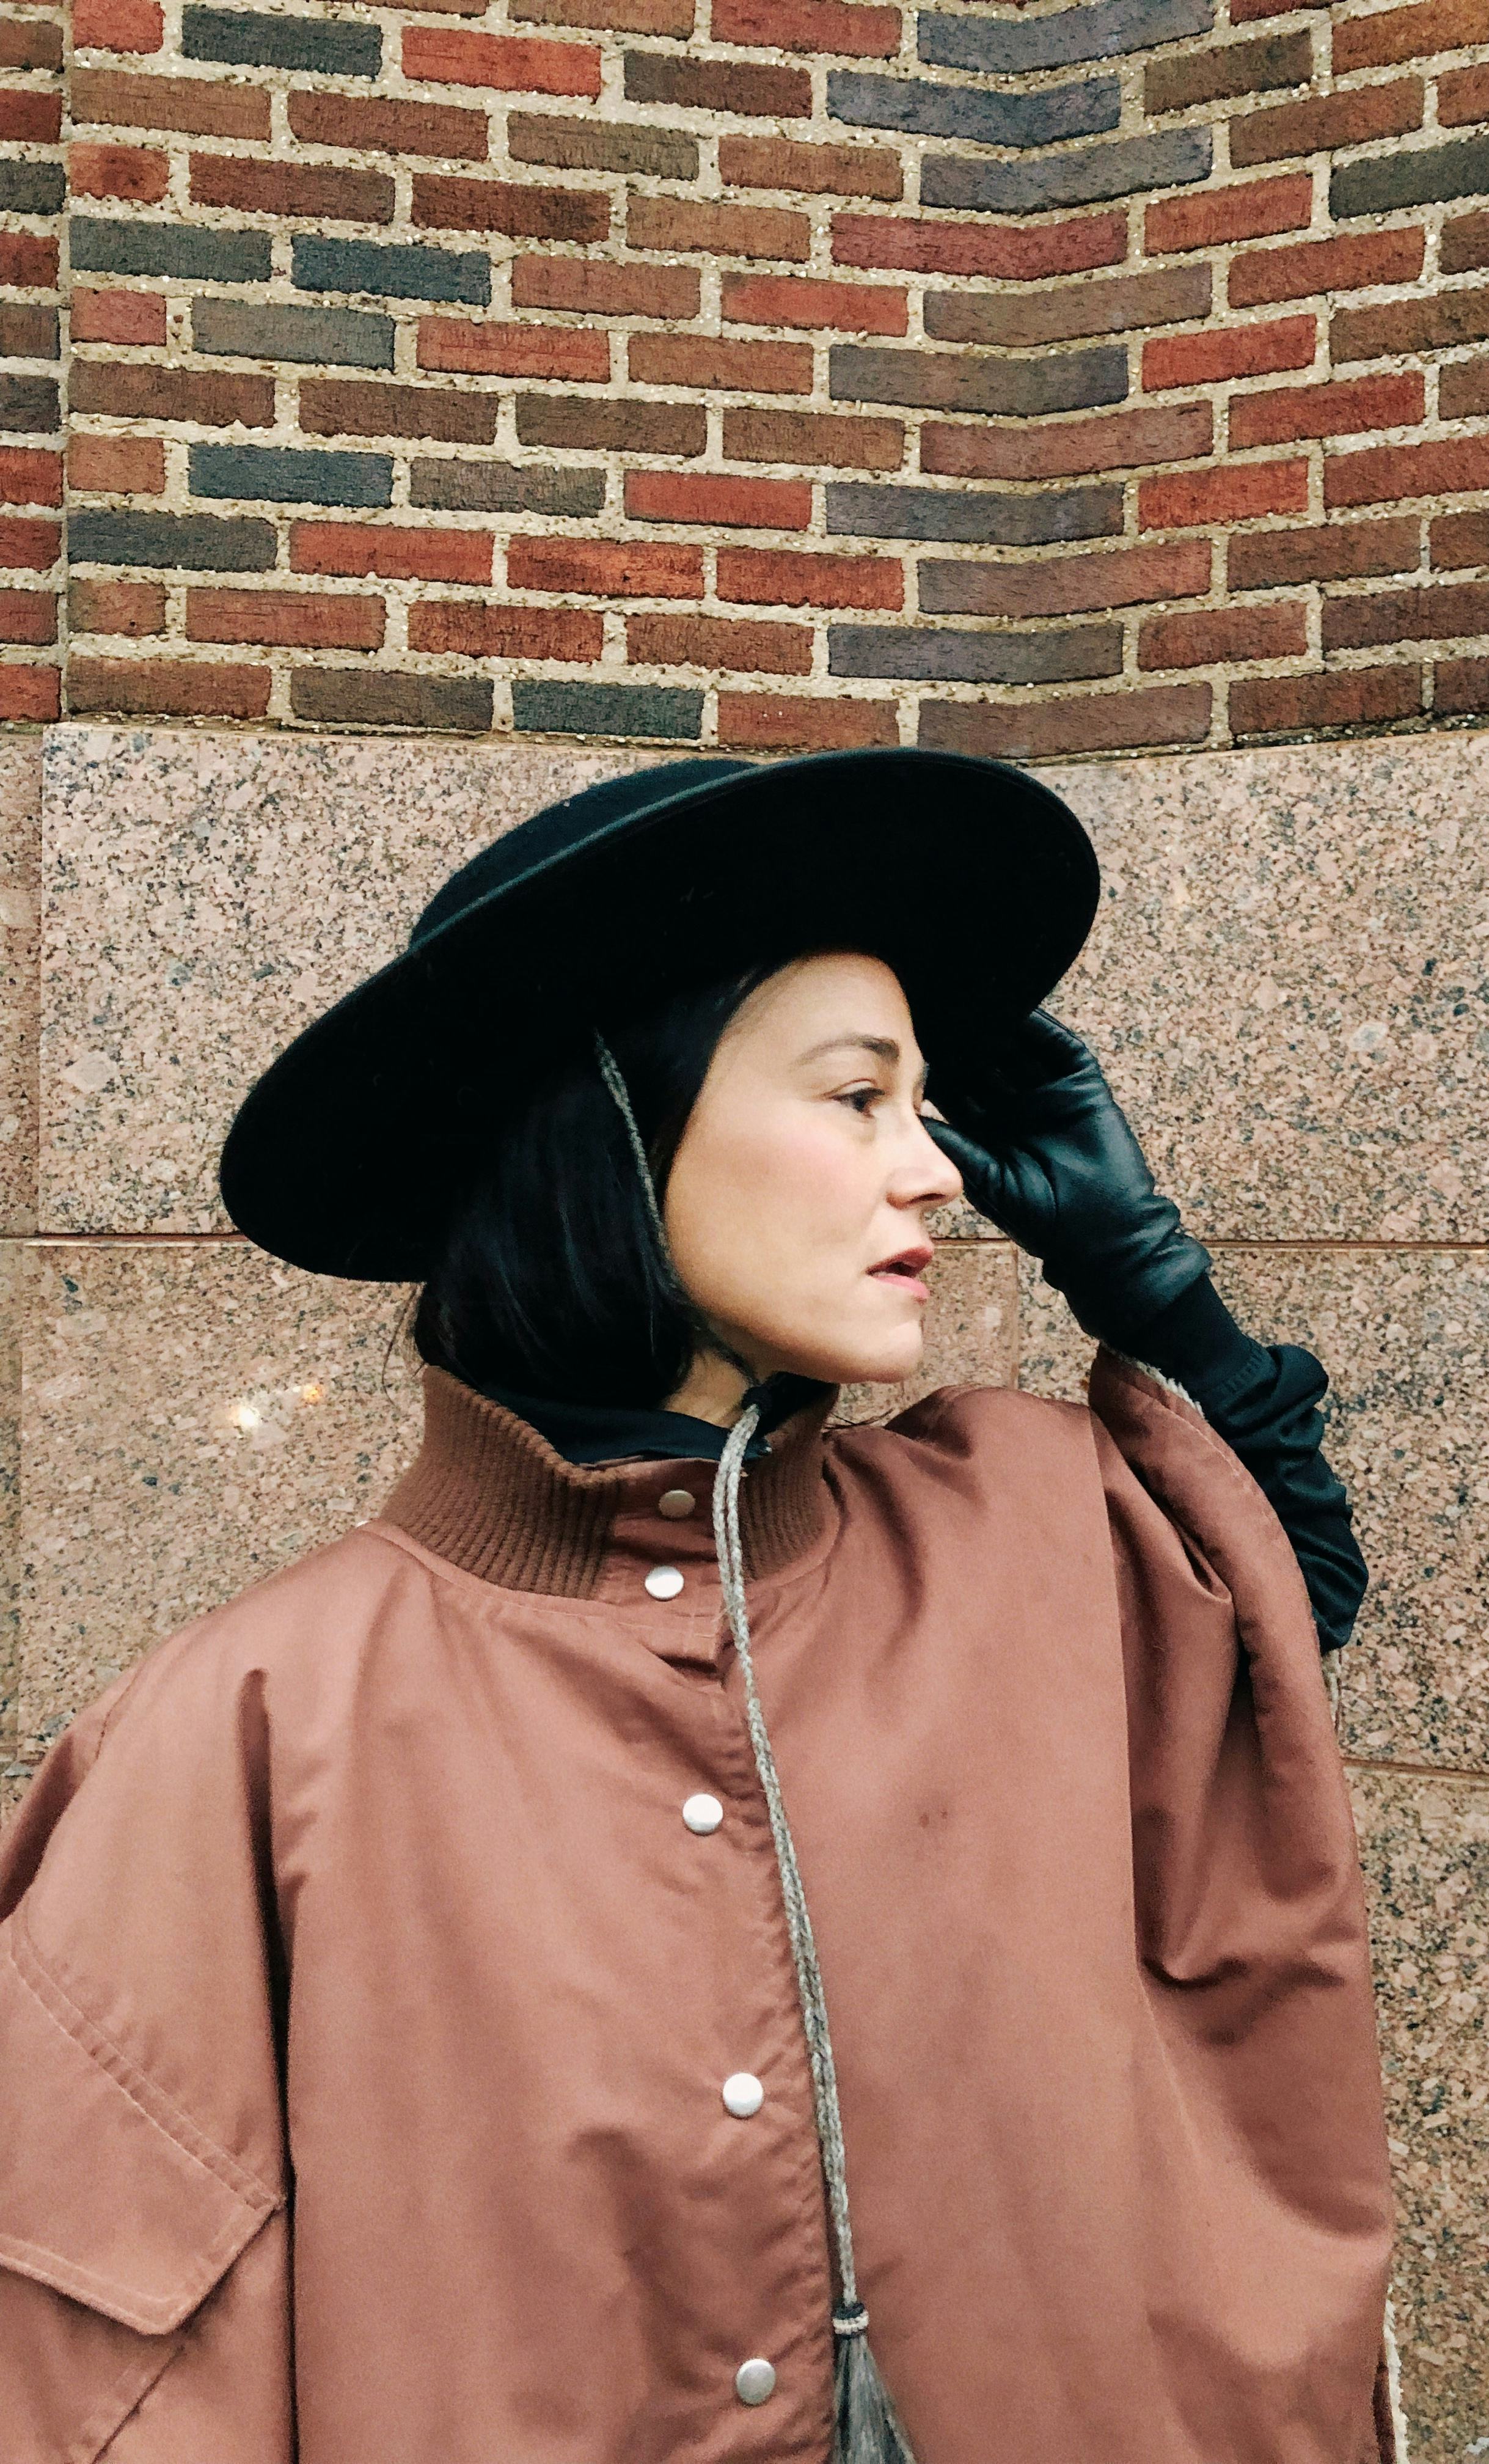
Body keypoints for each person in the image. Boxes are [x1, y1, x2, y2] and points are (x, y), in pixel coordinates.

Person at [0, 750, 1398, 2463]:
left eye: (926, 1105)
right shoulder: (240, 1732)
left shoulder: (1025, 1522)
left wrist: (1148, 1277)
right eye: (858, 1097)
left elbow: (1276, 1606)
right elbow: (103, 2384)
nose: (937, 1172)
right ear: (611, 1125)